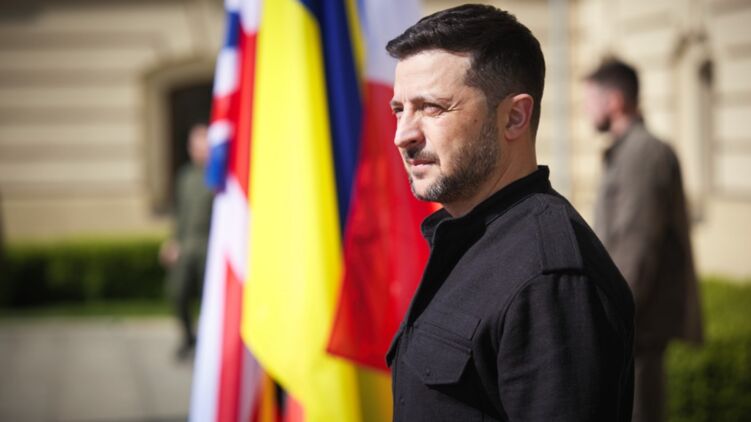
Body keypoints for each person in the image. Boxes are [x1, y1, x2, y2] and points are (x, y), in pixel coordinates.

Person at [385, 4, 635, 421]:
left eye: (432, 108)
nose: (403, 135)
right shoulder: (466, 237)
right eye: (399, 109)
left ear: (515, 117)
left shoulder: (551, 280)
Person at [584, 59, 703, 422]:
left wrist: (605, 321)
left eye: (591, 100)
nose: (586, 109)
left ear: (615, 101)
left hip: (635, 332)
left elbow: (635, 250)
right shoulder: (627, 151)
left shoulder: (643, 154)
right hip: (630, 331)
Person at [160, 123, 214, 360]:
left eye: (204, 146)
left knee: (207, 298)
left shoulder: (217, 175)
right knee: (177, 292)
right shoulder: (185, 177)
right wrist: (172, 241)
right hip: (186, 245)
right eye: (196, 146)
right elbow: (180, 214)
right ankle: (188, 337)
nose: (200, 151)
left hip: (208, 246)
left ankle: (209, 343)